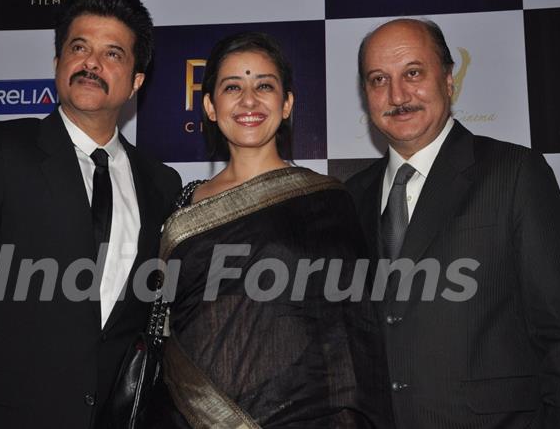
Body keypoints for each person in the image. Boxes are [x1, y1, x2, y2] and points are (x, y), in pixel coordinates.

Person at [0, 0, 181, 429]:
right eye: (79, 47)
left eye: (112, 53)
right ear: (57, 63)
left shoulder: (162, 184)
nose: (91, 63)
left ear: (136, 82)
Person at [345, 18, 560, 428]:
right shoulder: (350, 197)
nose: (397, 94)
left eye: (413, 72)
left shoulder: (514, 174)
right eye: (378, 79)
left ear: (448, 79)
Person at [157, 31, 394, 428]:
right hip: (193, 416)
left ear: (286, 104)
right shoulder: (182, 206)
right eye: (232, 87)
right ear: (210, 107)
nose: (249, 101)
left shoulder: (326, 202)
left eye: (264, 86)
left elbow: (352, 342)